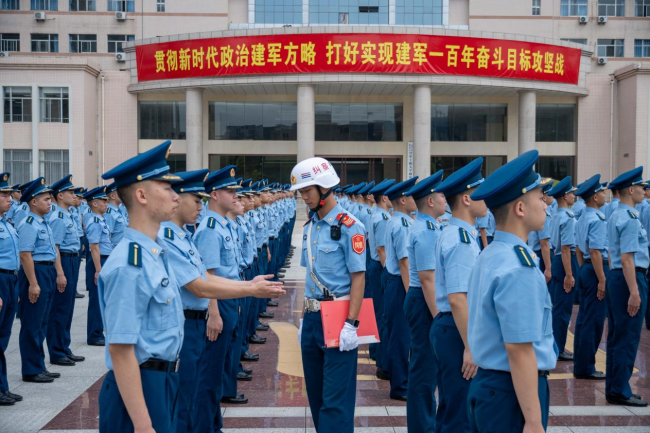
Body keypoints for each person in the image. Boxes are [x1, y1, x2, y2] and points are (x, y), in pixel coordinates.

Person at [158, 169, 284, 433]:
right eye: (195, 199)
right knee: (190, 393)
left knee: (202, 383)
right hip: (188, 321)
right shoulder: (172, 236)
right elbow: (201, 284)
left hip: (201, 314)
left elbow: (205, 277)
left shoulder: (184, 235)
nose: (199, 205)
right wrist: (248, 289)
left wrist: (248, 286)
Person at [467, 149, 558, 432]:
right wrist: (532, 420)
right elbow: (519, 350)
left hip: (492, 386)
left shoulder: (492, 252)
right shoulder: (519, 266)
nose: (546, 205)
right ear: (520, 208)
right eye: (539, 198)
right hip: (511, 393)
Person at [291, 157, 366, 433]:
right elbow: (309, 281)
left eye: (308, 190)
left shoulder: (350, 226)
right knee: (317, 398)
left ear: (324, 187)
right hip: (312, 319)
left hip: (338, 318)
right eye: (301, 192)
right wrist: (302, 319)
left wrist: (352, 324)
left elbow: (359, 277)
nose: (304, 197)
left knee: (335, 403)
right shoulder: (309, 227)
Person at [192, 165, 250, 433]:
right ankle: (206, 427)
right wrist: (213, 313)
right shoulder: (210, 228)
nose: (235, 195)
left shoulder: (223, 225)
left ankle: (214, 425)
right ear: (214, 194)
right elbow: (208, 275)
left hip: (229, 298)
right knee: (209, 373)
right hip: (218, 302)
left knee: (218, 370)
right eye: (230, 191)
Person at [432, 157, 487, 433]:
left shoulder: (457, 232)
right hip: (457, 330)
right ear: (466, 198)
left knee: (451, 408)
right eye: (480, 190)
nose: (485, 195)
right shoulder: (461, 239)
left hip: (452, 327)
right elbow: (457, 297)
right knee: (459, 416)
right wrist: (470, 346)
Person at [403, 170, 446, 432]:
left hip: (421, 299)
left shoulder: (427, 225)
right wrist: (439, 317)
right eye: (441, 195)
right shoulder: (427, 230)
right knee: (424, 371)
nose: (445, 199)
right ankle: (422, 427)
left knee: (424, 368)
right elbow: (428, 279)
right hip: (424, 301)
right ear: (430, 201)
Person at [605, 166, 648, 407]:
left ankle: (614, 386)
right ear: (631, 190)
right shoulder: (630, 218)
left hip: (617, 278)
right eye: (641, 187)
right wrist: (634, 291)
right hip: (629, 278)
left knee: (617, 335)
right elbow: (627, 258)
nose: (644, 191)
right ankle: (620, 390)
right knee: (628, 335)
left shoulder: (614, 215)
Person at [17, 177, 64, 384]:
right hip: (35, 272)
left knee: (42, 321)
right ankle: (30, 369)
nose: (50, 202)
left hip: (47, 272)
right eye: (46, 199)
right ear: (33, 201)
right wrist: (33, 283)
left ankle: (39, 365)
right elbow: (25, 255)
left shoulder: (44, 222)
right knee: (32, 323)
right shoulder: (28, 224)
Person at [382, 175, 419, 401]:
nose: (416, 199)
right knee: (401, 337)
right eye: (412, 195)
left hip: (391, 279)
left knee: (396, 333)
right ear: (403, 200)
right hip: (399, 283)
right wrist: (409, 294)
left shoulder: (394, 219)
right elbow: (405, 263)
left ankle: (398, 379)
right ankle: (401, 386)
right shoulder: (403, 224)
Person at [573, 174, 609, 380]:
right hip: (596, 270)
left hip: (587, 269)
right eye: (601, 192)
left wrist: (583, 267)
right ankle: (586, 367)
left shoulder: (582, 217)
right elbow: (595, 251)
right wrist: (602, 280)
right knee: (593, 321)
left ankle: (581, 364)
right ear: (594, 197)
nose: (604, 195)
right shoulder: (596, 219)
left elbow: (579, 249)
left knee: (583, 319)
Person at [47, 175, 85, 367]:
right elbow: (55, 247)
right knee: (60, 308)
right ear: (60, 195)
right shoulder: (57, 217)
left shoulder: (68, 214)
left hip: (72, 260)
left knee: (68, 308)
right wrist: (60, 273)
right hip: (63, 261)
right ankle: (56, 351)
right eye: (70, 192)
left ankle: (64, 347)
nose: (74, 195)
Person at [546, 177, 578, 362]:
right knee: (563, 309)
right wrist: (569, 274)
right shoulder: (566, 218)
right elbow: (566, 247)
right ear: (565, 196)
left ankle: (556, 345)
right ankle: (559, 347)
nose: (574, 196)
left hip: (558, 260)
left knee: (559, 306)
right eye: (572, 193)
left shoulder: (556, 214)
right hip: (566, 261)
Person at [367, 179, 395, 380]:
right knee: (383, 314)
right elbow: (381, 249)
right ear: (385, 198)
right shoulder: (383, 218)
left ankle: (377, 353)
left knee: (378, 312)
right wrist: (388, 272)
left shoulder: (375, 214)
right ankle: (382, 359)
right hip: (380, 266)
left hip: (374, 265)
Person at [0, 174, 22, 404]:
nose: (9, 198)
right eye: (4, 194)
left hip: (10, 280)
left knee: (3, 337)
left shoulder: (7, 222)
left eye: (9, 194)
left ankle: (2, 386)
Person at [83, 185, 112, 347]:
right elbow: (94, 247)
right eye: (103, 201)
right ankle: (94, 334)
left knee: (103, 298)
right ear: (94, 203)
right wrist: (98, 270)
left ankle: (98, 331)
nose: (106, 204)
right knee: (96, 299)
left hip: (104, 259)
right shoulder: (94, 221)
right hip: (98, 261)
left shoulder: (100, 219)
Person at [528, 179, 555, 295]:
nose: (552, 196)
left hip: (535, 252)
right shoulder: (544, 213)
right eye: (550, 193)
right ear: (544, 196)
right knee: (545, 293)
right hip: (542, 255)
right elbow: (544, 243)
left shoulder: (535, 210)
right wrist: (548, 268)